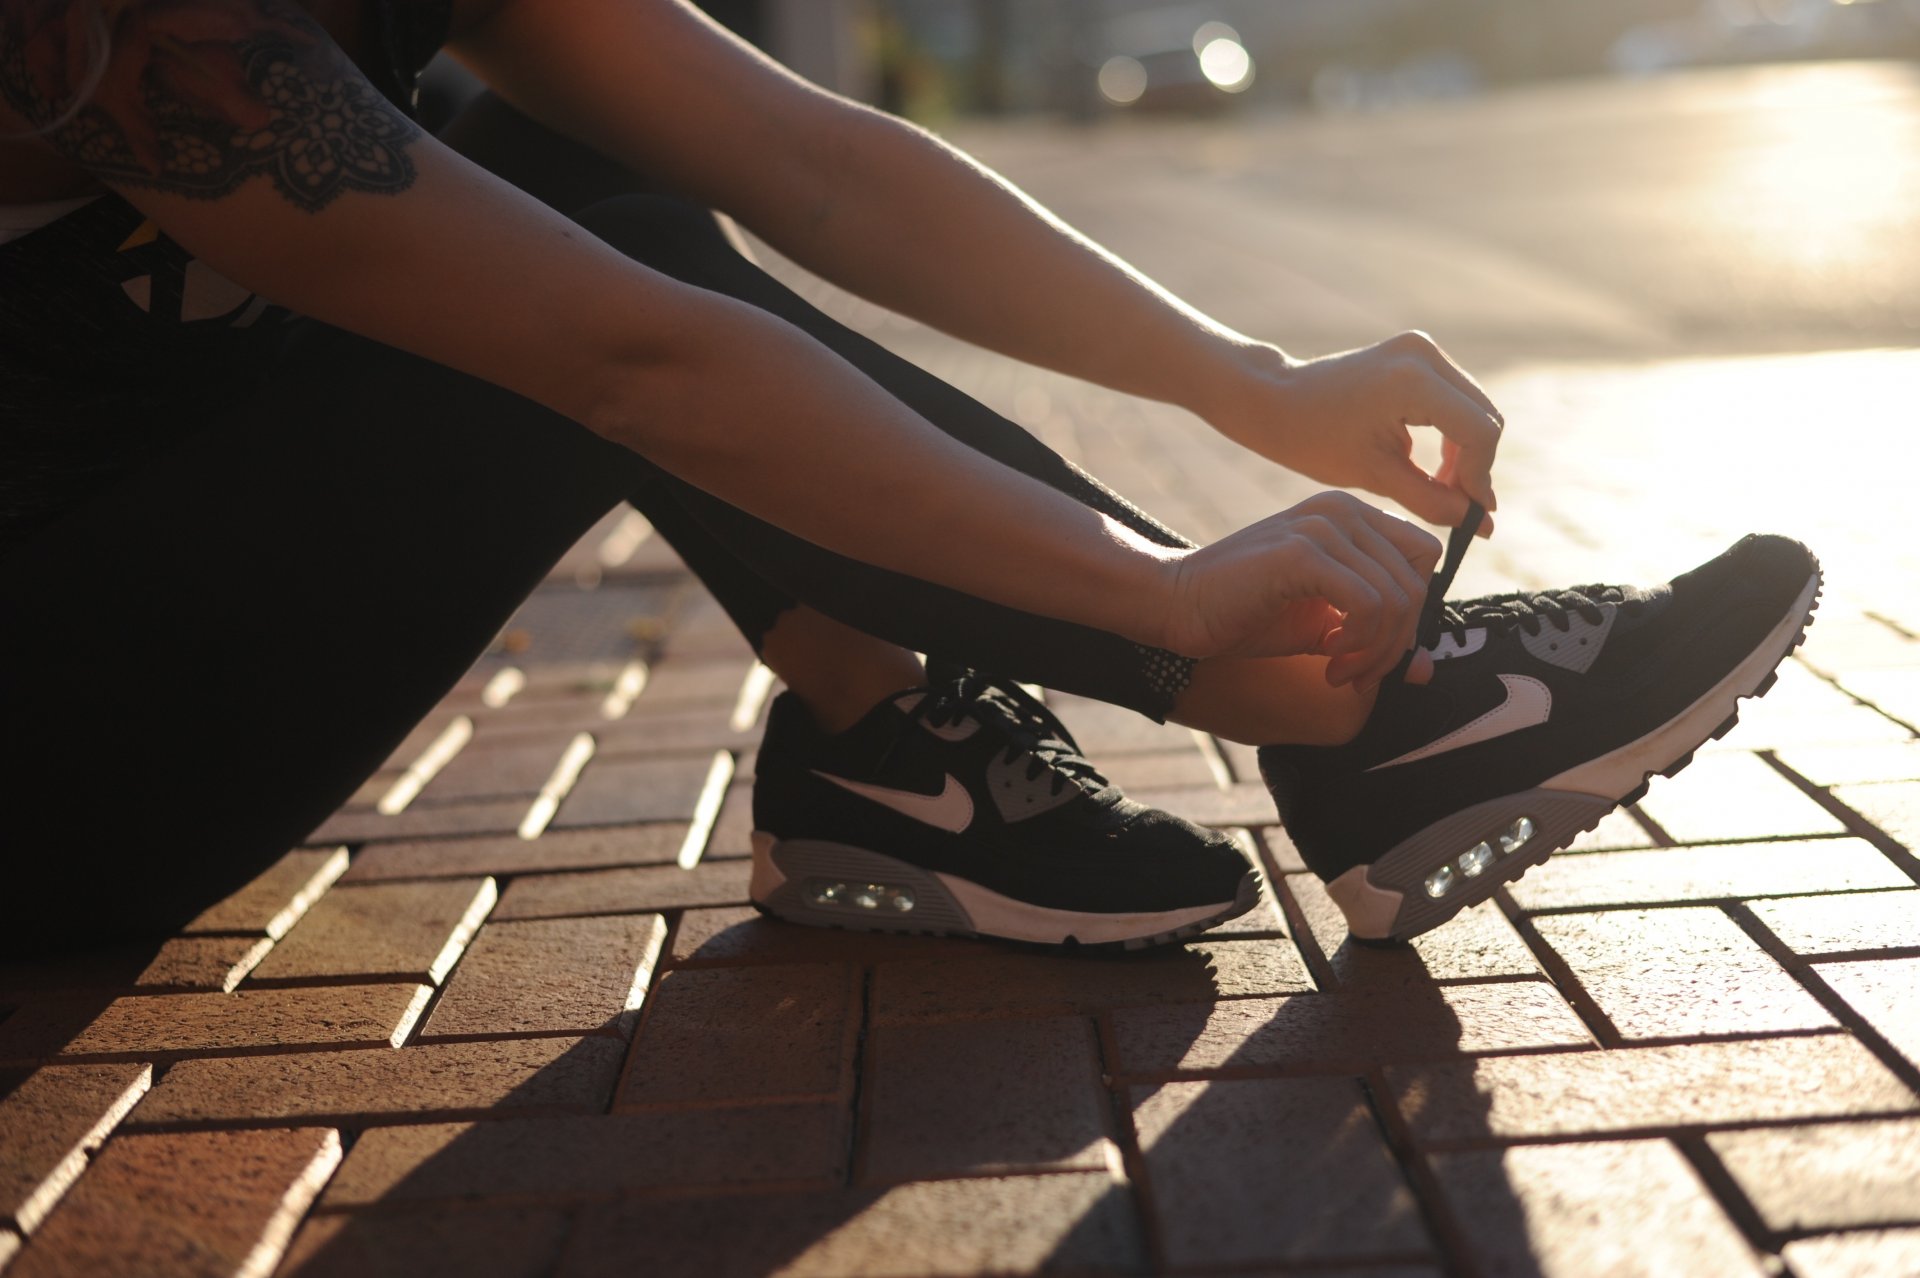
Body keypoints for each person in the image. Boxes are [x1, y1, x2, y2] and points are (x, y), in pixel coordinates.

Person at [0, 0, 1819, 957]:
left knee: (562, 155)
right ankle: (1370, 716)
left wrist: (1251, 383)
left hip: (135, 576)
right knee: (592, 285)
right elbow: (630, 361)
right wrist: (1161, 603)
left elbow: (820, 168)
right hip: (49, 765)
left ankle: (888, 753)